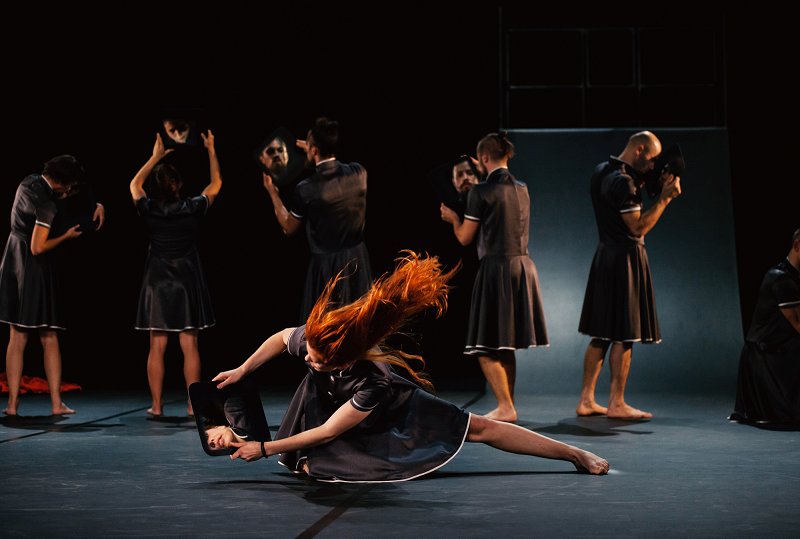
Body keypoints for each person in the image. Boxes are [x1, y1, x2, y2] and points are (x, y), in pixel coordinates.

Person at [211, 252, 608, 481]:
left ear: (345, 360)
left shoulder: (375, 381)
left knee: (479, 429)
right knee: (313, 464)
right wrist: (244, 369)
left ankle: (572, 453)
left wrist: (264, 448)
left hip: (395, 409)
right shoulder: (318, 340)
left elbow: (330, 430)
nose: (307, 359)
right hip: (337, 403)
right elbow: (282, 337)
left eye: (316, 359)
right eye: (309, 352)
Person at [440, 133, 548, 423]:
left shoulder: (481, 192)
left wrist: (453, 219)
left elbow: (465, 238)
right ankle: (507, 406)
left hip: (496, 269)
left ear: (483, 158)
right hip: (522, 267)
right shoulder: (522, 188)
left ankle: (505, 406)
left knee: (484, 346)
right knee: (505, 343)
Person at [575, 131, 681, 420]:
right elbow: (637, 228)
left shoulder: (602, 171)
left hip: (605, 255)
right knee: (625, 334)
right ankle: (617, 402)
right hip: (626, 260)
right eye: (652, 159)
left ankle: (586, 400)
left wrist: (647, 182)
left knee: (602, 333)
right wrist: (665, 199)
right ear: (640, 150)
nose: (654, 165)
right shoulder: (624, 182)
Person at [0, 155, 105, 415]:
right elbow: (37, 247)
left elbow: (59, 201)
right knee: (48, 335)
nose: (69, 191)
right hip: (32, 267)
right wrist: (66, 236)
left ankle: (12, 405)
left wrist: (97, 204)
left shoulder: (29, 182)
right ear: (63, 183)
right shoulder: (46, 205)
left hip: (12, 258)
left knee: (17, 336)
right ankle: (56, 403)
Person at [130, 132, 222, 417]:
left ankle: (157, 406)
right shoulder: (191, 208)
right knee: (189, 345)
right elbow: (216, 184)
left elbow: (134, 185)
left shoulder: (149, 209)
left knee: (156, 346)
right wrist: (211, 150)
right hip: (185, 281)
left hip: (157, 282)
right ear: (178, 185)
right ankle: (193, 405)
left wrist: (154, 157)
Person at [261, 117, 372, 320]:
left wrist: (273, 193)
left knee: (326, 328)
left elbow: (288, 227)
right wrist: (313, 150)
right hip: (358, 261)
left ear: (313, 150)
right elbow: (331, 178)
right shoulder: (359, 172)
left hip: (327, 269)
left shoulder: (306, 189)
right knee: (359, 322)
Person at [730, 229, 800, 425]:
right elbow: (798, 324)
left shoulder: (793, 277)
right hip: (765, 357)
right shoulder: (781, 278)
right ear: (797, 245)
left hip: (781, 350)